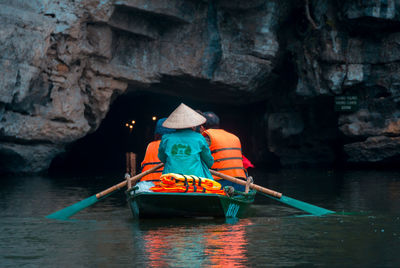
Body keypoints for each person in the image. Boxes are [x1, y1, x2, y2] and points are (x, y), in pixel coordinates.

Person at [199, 111, 253, 191]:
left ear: (202, 127)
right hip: (241, 183)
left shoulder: (206, 137)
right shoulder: (234, 137)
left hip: (219, 183)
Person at [158, 103, 214, 179]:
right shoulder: (199, 138)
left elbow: (161, 157)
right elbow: (209, 161)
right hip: (195, 179)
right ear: (193, 124)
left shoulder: (166, 138)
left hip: (171, 179)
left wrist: (176, 160)